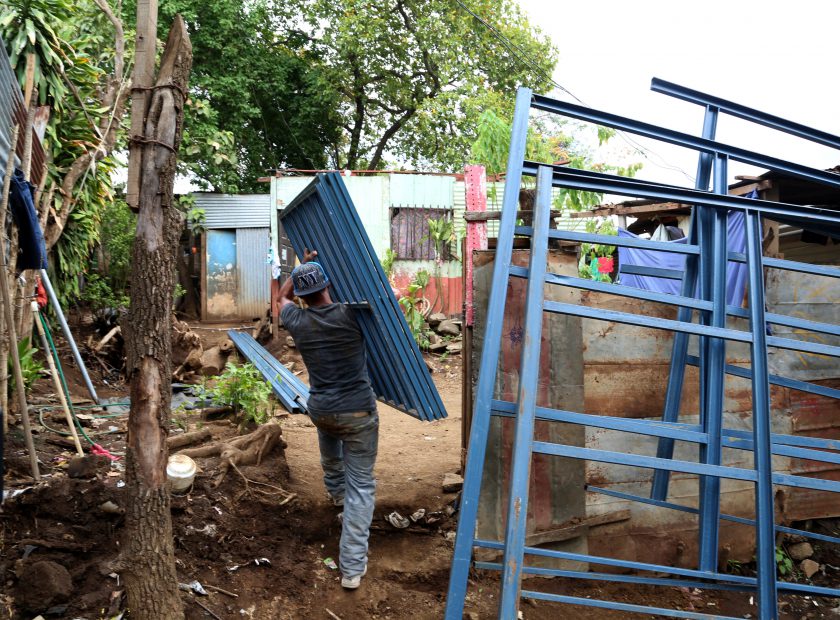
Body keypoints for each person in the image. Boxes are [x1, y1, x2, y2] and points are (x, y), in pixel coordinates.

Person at [278, 249, 378, 590]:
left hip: (321, 409)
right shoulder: (351, 317)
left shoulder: (297, 321)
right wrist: (312, 268)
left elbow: (281, 296)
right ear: (328, 285)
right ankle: (351, 568)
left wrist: (299, 268)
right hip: (357, 410)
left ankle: (337, 495)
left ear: (302, 293)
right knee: (362, 487)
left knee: (331, 441)